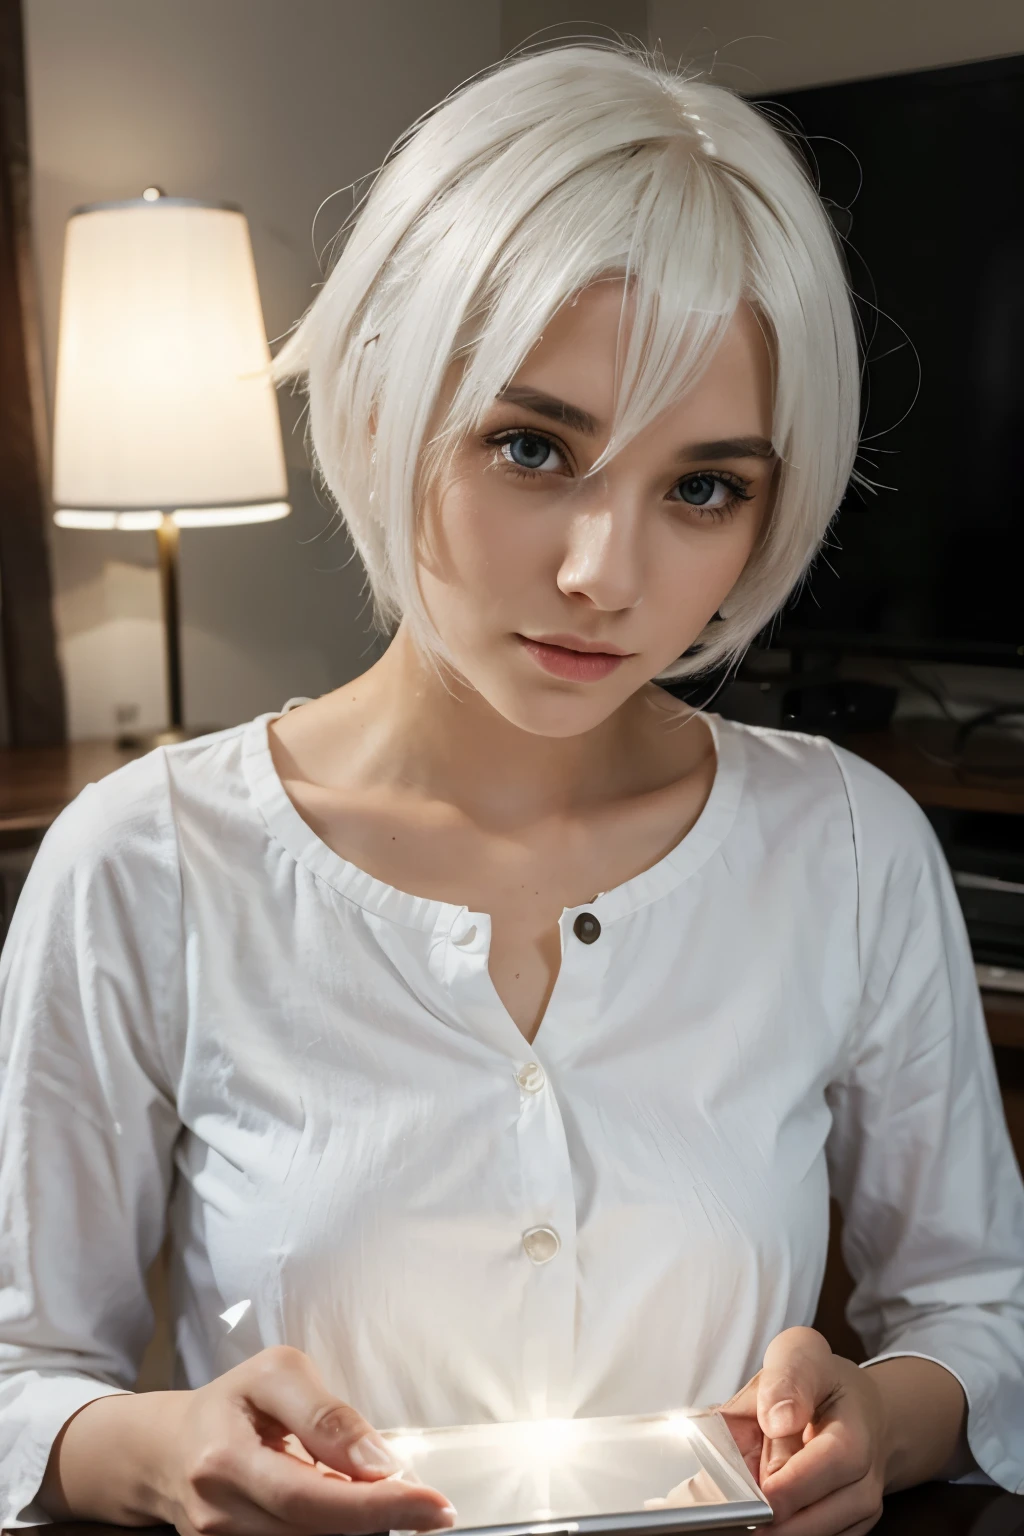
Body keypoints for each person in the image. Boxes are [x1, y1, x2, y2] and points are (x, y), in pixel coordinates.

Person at [1, 41, 1022, 1536]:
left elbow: (983, 1317)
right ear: (379, 400)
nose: (605, 575)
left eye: (703, 487)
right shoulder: (147, 863)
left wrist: (888, 1415)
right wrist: (159, 1452)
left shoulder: (848, 848)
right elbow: (20, 1364)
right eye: (532, 446)